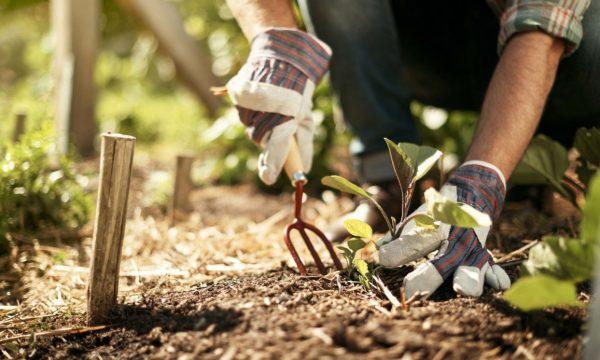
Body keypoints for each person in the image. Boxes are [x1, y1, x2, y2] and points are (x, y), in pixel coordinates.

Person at [222, 0, 598, 298]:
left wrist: (482, 179)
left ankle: (545, 153)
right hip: (430, 50)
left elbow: (542, 34)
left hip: (572, 55)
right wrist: (274, 35)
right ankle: (390, 180)